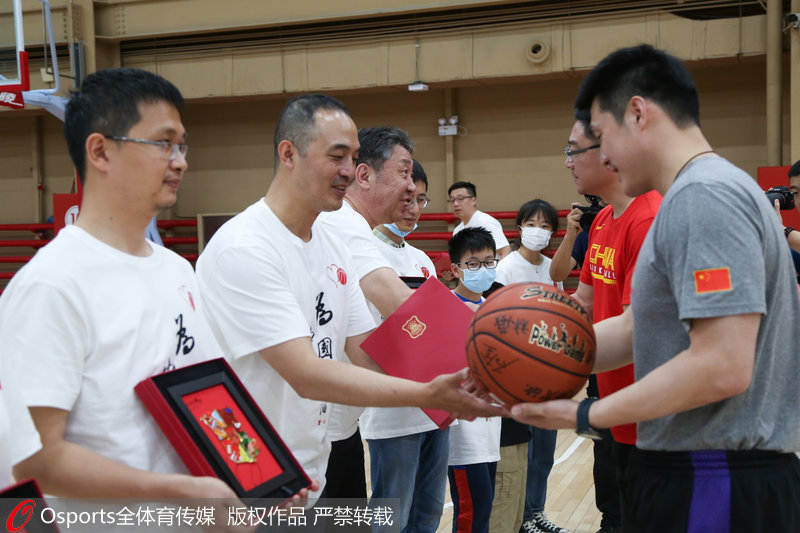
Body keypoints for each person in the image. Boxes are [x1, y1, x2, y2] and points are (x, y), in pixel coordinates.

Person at [511, 44, 800, 532]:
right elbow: (635, 327)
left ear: (638, 113)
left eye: (602, 135)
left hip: (716, 470)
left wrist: (586, 414)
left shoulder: (703, 197)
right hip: (698, 465)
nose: (602, 155)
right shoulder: (694, 193)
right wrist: (531, 354)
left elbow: (722, 364)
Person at [196, 94, 504, 502]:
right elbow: (306, 374)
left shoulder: (331, 243)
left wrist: (452, 385)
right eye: (336, 156)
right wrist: (458, 370)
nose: (348, 171)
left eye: (354, 157)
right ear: (288, 154)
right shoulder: (246, 247)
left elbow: (368, 353)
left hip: (320, 452)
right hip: (254, 470)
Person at [1, 68, 245, 500]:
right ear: (100, 151)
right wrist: (180, 491)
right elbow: (37, 460)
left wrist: (256, 475)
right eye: (163, 143)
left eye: (181, 145)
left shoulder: (177, 270)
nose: (180, 161)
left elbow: (205, 392)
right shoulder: (51, 285)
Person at [565, 110, 662, 533]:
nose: (567, 162)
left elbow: (634, 329)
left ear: (608, 152)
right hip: (611, 404)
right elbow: (583, 301)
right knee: (614, 512)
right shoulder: (604, 219)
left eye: (573, 151)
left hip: (652, 414)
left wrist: (542, 356)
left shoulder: (648, 220)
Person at [314, 126, 417, 501]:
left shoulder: (355, 229)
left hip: (341, 427)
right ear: (364, 175)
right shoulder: (341, 222)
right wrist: (483, 342)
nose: (411, 187)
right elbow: (397, 299)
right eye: (404, 172)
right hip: (312, 432)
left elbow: (365, 352)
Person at [360, 160, 450, 533]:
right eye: (407, 199)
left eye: (421, 200)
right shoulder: (365, 253)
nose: (413, 208)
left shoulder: (422, 260)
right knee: (390, 519)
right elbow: (367, 335)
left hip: (435, 407)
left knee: (429, 513)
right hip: (391, 413)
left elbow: (438, 330)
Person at [492, 199, 568, 533]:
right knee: (524, 449)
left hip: (549, 370)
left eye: (545, 225)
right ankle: (522, 518)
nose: (538, 230)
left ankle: (537, 512)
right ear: (520, 227)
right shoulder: (506, 268)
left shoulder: (554, 268)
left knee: (545, 451)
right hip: (518, 372)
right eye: (532, 223)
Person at [447, 227, 502, 533]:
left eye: (489, 261)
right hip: (463, 433)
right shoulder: (444, 308)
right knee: (471, 512)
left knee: (483, 510)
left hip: (490, 428)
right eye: (473, 263)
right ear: (456, 269)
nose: (483, 269)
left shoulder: (497, 308)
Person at [449, 181, 511, 259]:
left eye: (460, 199)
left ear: (473, 200)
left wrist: (497, 267)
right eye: (452, 200)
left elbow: (506, 251)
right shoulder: (457, 230)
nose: (456, 204)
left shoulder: (485, 222)